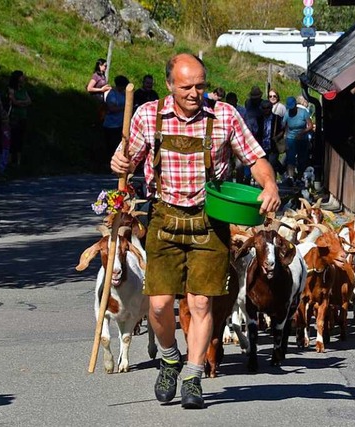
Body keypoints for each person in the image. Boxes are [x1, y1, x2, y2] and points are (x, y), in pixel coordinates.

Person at [110, 53, 280, 409]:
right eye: (186, 86)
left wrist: (270, 186)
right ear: (170, 85)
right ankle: (170, 357)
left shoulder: (224, 116)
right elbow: (127, 159)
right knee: (158, 306)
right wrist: (119, 162)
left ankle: (192, 374)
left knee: (201, 302)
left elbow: (256, 158)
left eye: (200, 86)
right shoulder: (148, 115)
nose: (194, 93)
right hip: (163, 218)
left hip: (209, 219)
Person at [282, 96, 313, 184]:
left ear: (296, 105)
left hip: (302, 139)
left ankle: (299, 177)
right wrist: (285, 136)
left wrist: (302, 132)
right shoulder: (287, 114)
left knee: (302, 159)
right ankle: (291, 177)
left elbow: (310, 126)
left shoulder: (303, 113)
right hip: (291, 138)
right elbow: (284, 125)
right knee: (290, 158)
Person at [102, 75, 129, 167]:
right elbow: (112, 108)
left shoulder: (123, 94)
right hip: (110, 124)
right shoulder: (112, 94)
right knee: (111, 146)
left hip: (120, 124)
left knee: (119, 146)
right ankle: (108, 164)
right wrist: (125, 108)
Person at [8, 70, 31, 167]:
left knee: (21, 138)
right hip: (14, 117)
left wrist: (20, 102)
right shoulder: (12, 89)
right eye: (21, 76)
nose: (23, 78)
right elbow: (13, 101)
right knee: (13, 138)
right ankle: (9, 161)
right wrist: (23, 103)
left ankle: (18, 162)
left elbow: (29, 101)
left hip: (23, 117)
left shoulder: (23, 90)